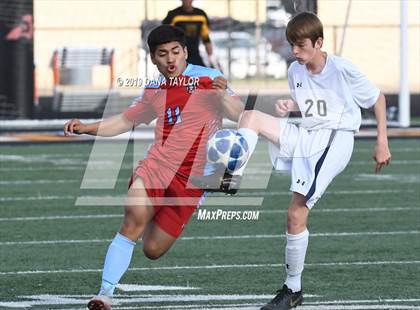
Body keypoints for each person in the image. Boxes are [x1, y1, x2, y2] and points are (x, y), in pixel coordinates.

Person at [191, 12, 391, 310]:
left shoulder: (342, 68)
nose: (294, 52)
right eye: (291, 46)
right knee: (251, 117)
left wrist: (382, 142)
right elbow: (316, 105)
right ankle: (229, 176)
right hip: (307, 133)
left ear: (319, 42)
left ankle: (291, 290)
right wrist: (292, 105)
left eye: (300, 46)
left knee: (296, 213)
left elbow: (377, 99)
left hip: (334, 140)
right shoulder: (295, 71)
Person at [64, 25, 242, 310]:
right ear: (153, 58)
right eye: (163, 54)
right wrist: (87, 128)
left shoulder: (209, 79)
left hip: (192, 180)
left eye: (175, 52)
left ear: (185, 52)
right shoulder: (154, 89)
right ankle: (104, 294)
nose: (170, 59)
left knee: (153, 249)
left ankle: (148, 223)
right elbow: (124, 121)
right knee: (132, 218)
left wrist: (223, 97)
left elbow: (239, 113)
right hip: (156, 166)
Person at [163, 0, 216, 67]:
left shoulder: (201, 15)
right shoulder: (173, 15)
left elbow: (206, 38)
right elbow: (165, 37)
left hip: (195, 55)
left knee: (203, 75)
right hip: (178, 56)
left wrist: (211, 58)